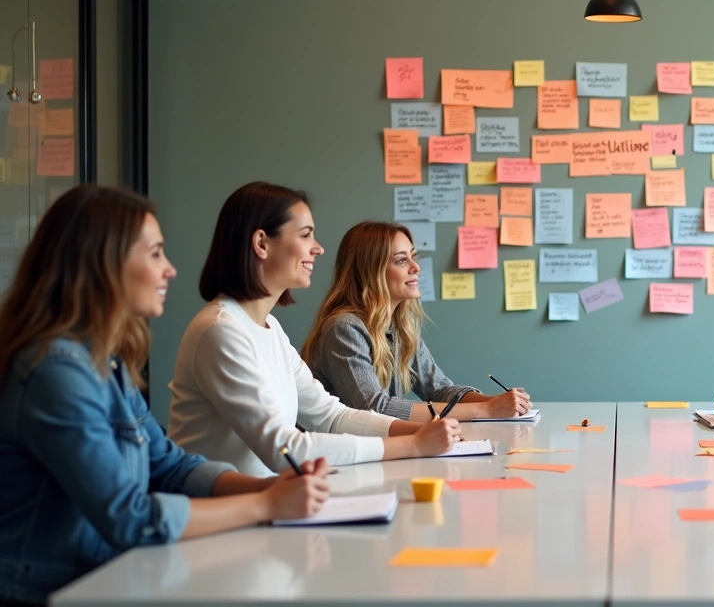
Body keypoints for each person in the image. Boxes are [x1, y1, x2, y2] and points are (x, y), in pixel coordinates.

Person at [0, 186, 329, 605]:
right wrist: (264, 505)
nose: (170, 269)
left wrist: (264, 490)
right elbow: (130, 517)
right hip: (51, 590)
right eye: (155, 253)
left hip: (105, 578)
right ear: (105, 262)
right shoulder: (55, 371)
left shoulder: (104, 360)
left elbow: (168, 466)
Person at [168, 182, 459, 477]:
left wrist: (421, 430)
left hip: (274, 503)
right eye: (306, 235)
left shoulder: (271, 330)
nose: (318, 248)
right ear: (262, 244)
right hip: (227, 512)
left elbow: (331, 415)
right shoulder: (220, 331)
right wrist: (412, 444)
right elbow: (286, 450)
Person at [302, 222, 530, 421]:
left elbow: (439, 390)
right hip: (334, 461)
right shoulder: (344, 328)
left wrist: (496, 401)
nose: (416, 267)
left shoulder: (400, 327)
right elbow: (373, 408)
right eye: (401, 260)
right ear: (370, 272)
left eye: (414, 256)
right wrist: (484, 410)